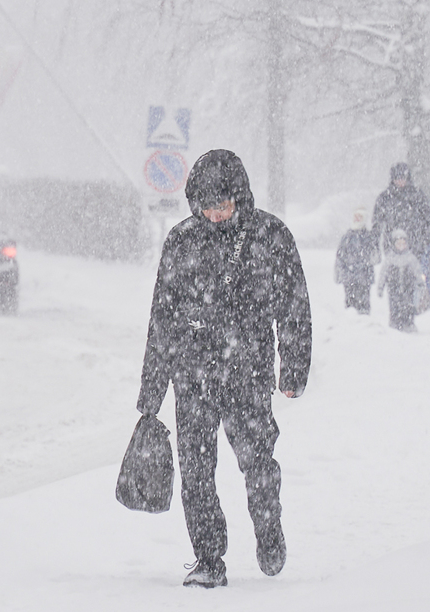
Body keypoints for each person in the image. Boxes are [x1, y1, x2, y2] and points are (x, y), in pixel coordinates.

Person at [137, 149, 312, 589]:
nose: (215, 216)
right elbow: (163, 317)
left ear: (241, 198)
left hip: (248, 375)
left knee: (257, 462)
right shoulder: (181, 241)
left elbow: (294, 306)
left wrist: (292, 367)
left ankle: (268, 532)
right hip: (192, 377)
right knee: (196, 473)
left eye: (223, 206)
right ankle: (209, 560)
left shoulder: (270, 236)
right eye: (206, 207)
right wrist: (152, 391)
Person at [371, 162, 430, 299]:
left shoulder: (417, 196)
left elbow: (427, 221)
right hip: (392, 247)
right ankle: (396, 305)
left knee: (414, 276)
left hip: (415, 245)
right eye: (397, 178)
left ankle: (413, 305)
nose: (400, 181)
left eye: (403, 177)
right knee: (394, 279)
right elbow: (377, 224)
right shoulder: (384, 199)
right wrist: (375, 244)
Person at [377, 229, 426, 333]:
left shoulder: (411, 258)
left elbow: (418, 272)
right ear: (393, 244)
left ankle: (408, 323)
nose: (401, 246)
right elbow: (383, 273)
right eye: (398, 243)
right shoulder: (390, 259)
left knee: (408, 305)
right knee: (394, 306)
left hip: (408, 287)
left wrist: (420, 282)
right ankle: (395, 323)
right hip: (393, 287)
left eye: (403, 243)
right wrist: (380, 287)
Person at [334, 207, 379, 314]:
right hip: (349, 278)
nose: (357, 219)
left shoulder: (369, 237)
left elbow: (376, 257)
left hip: (364, 278)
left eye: (360, 217)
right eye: (356, 217)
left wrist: (365, 264)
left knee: (364, 306)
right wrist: (340, 274)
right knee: (350, 307)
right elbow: (340, 257)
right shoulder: (347, 237)